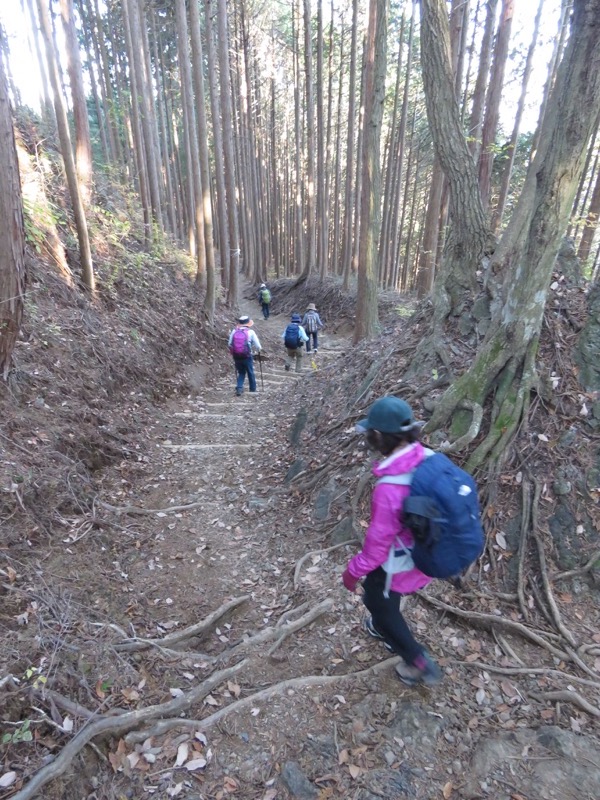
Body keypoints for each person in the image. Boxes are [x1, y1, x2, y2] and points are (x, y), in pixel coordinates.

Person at [341, 396, 443, 686]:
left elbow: (376, 548)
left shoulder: (389, 487)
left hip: (397, 560)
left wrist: (351, 573)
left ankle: (418, 661)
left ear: (380, 436)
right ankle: (379, 627)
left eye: (370, 434)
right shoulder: (428, 458)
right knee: (388, 597)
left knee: (375, 599)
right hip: (425, 550)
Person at [228, 315, 262, 396]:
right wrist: (258, 350)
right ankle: (252, 389)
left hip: (236, 356)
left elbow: (229, 344)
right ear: (248, 323)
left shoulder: (234, 331)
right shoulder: (251, 332)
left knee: (241, 372)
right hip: (247, 355)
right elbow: (258, 346)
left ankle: (239, 387)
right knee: (250, 371)